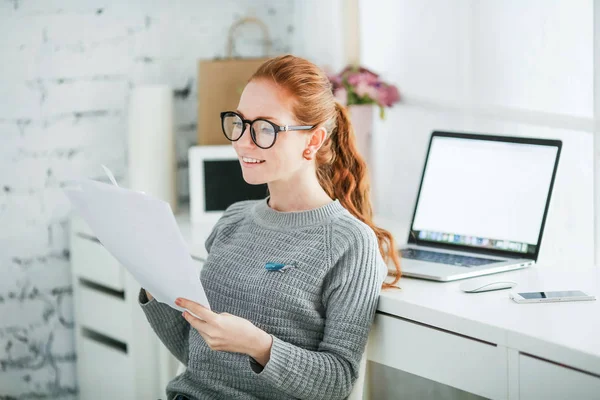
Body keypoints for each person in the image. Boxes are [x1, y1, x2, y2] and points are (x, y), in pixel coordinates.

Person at [139, 54, 401, 400]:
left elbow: (338, 381)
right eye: (240, 122)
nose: (243, 142)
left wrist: (258, 346)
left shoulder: (350, 243)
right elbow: (198, 358)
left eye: (265, 128)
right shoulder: (233, 220)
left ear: (313, 141)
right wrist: (155, 292)